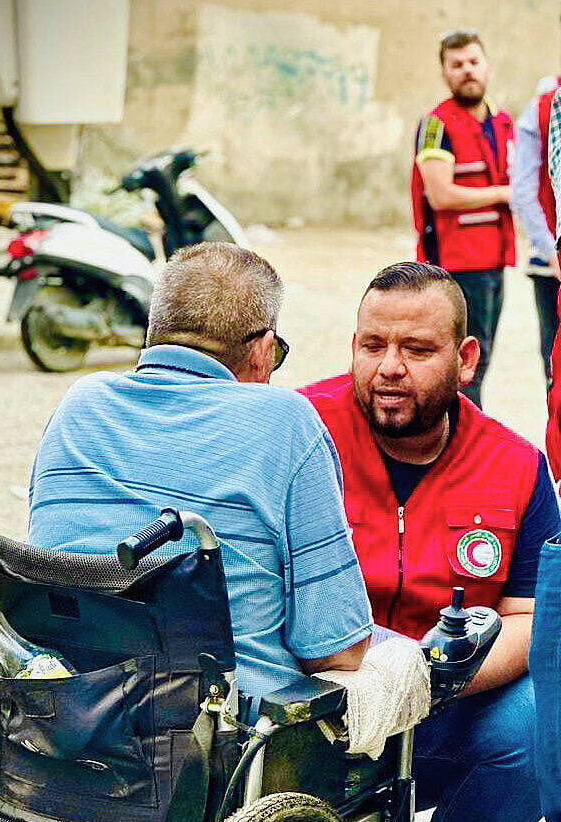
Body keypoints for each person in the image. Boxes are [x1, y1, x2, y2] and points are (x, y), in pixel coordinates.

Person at [30, 243, 373, 700]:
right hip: (222, 746)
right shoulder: (285, 421)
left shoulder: (80, 404)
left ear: (154, 332)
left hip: (62, 718)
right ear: (264, 352)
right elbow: (336, 651)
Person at [297, 262, 543, 822]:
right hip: (314, 706)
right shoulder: (301, 430)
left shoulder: (516, 465)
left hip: (449, 706)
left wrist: (427, 681)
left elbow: (530, 617)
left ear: (466, 361)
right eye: (372, 345)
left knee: (538, 720)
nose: (388, 368)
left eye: (417, 350)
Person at [411, 29, 516, 408]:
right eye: (456, 65)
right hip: (455, 262)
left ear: (487, 66)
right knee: (461, 363)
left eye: (473, 62)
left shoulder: (503, 122)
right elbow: (440, 196)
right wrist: (505, 194)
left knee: (482, 357)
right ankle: (459, 444)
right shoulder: (437, 125)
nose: (467, 71)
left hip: (494, 260)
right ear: (444, 73)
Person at [511, 72, 561, 389]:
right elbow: (524, 194)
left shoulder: (542, 104)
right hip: (552, 263)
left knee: (555, 369)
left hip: (550, 261)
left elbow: (523, 192)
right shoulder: (545, 102)